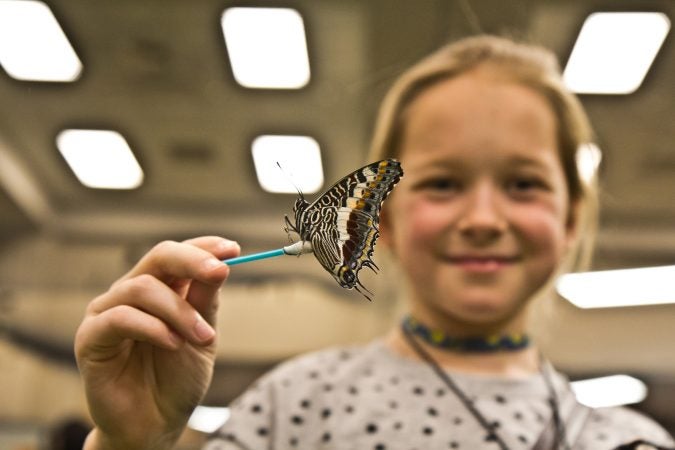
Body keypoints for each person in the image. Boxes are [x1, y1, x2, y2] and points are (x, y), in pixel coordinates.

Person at [74, 35, 674, 450]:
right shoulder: (297, 404)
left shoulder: (621, 437)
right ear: (379, 222)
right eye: (442, 184)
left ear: (571, 219)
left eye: (523, 184)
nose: (485, 217)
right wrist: (131, 442)